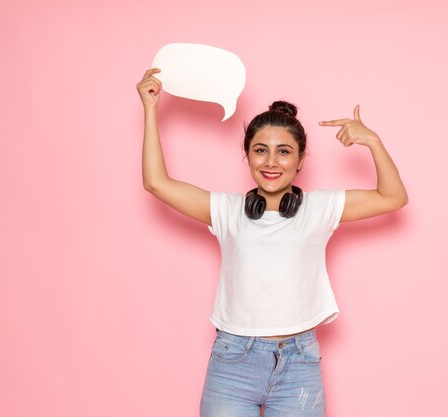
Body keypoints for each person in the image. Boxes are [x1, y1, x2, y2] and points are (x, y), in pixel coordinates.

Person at [136, 68, 408, 417]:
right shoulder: (225, 210)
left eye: (284, 152)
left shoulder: (320, 208)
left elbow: (393, 197)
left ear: (300, 161)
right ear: (247, 155)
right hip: (233, 362)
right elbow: (156, 182)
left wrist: (372, 141)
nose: (271, 162)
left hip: (299, 365)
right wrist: (150, 108)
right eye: (260, 150)